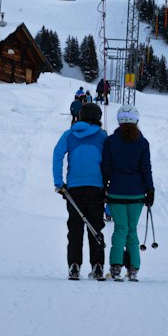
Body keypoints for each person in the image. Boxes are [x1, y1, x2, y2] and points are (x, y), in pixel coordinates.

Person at [52, 102, 107, 279]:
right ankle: (97, 265)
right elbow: (108, 163)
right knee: (95, 227)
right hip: (96, 188)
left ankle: (74, 265)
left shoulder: (69, 135)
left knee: (75, 227)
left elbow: (57, 155)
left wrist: (59, 182)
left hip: (74, 189)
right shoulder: (102, 136)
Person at [102, 107, 154, 281]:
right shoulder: (142, 143)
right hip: (137, 194)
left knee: (120, 229)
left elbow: (106, 168)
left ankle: (116, 265)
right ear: (136, 120)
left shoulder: (110, 141)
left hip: (116, 192)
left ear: (119, 120)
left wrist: (103, 188)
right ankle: (133, 268)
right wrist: (150, 189)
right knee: (132, 230)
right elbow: (146, 169)